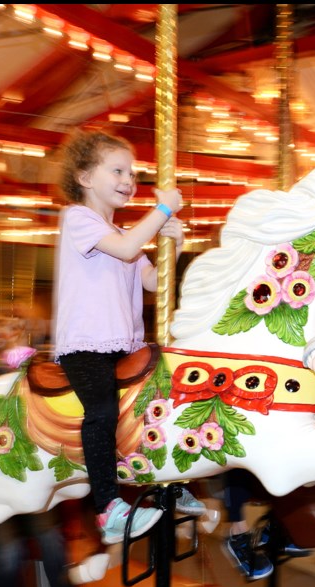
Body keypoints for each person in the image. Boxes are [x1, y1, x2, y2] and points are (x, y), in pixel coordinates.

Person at [52, 128, 200, 544]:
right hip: (85, 345)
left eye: (132, 173)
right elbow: (124, 247)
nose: (128, 180)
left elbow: (154, 282)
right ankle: (107, 509)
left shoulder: (124, 238)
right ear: (84, 178)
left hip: (125, 345)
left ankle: (169, 482)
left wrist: (176, 246)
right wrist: (162, 212)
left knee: (162, 401)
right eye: (117, 170)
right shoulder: (78, 218)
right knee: (101, 412)